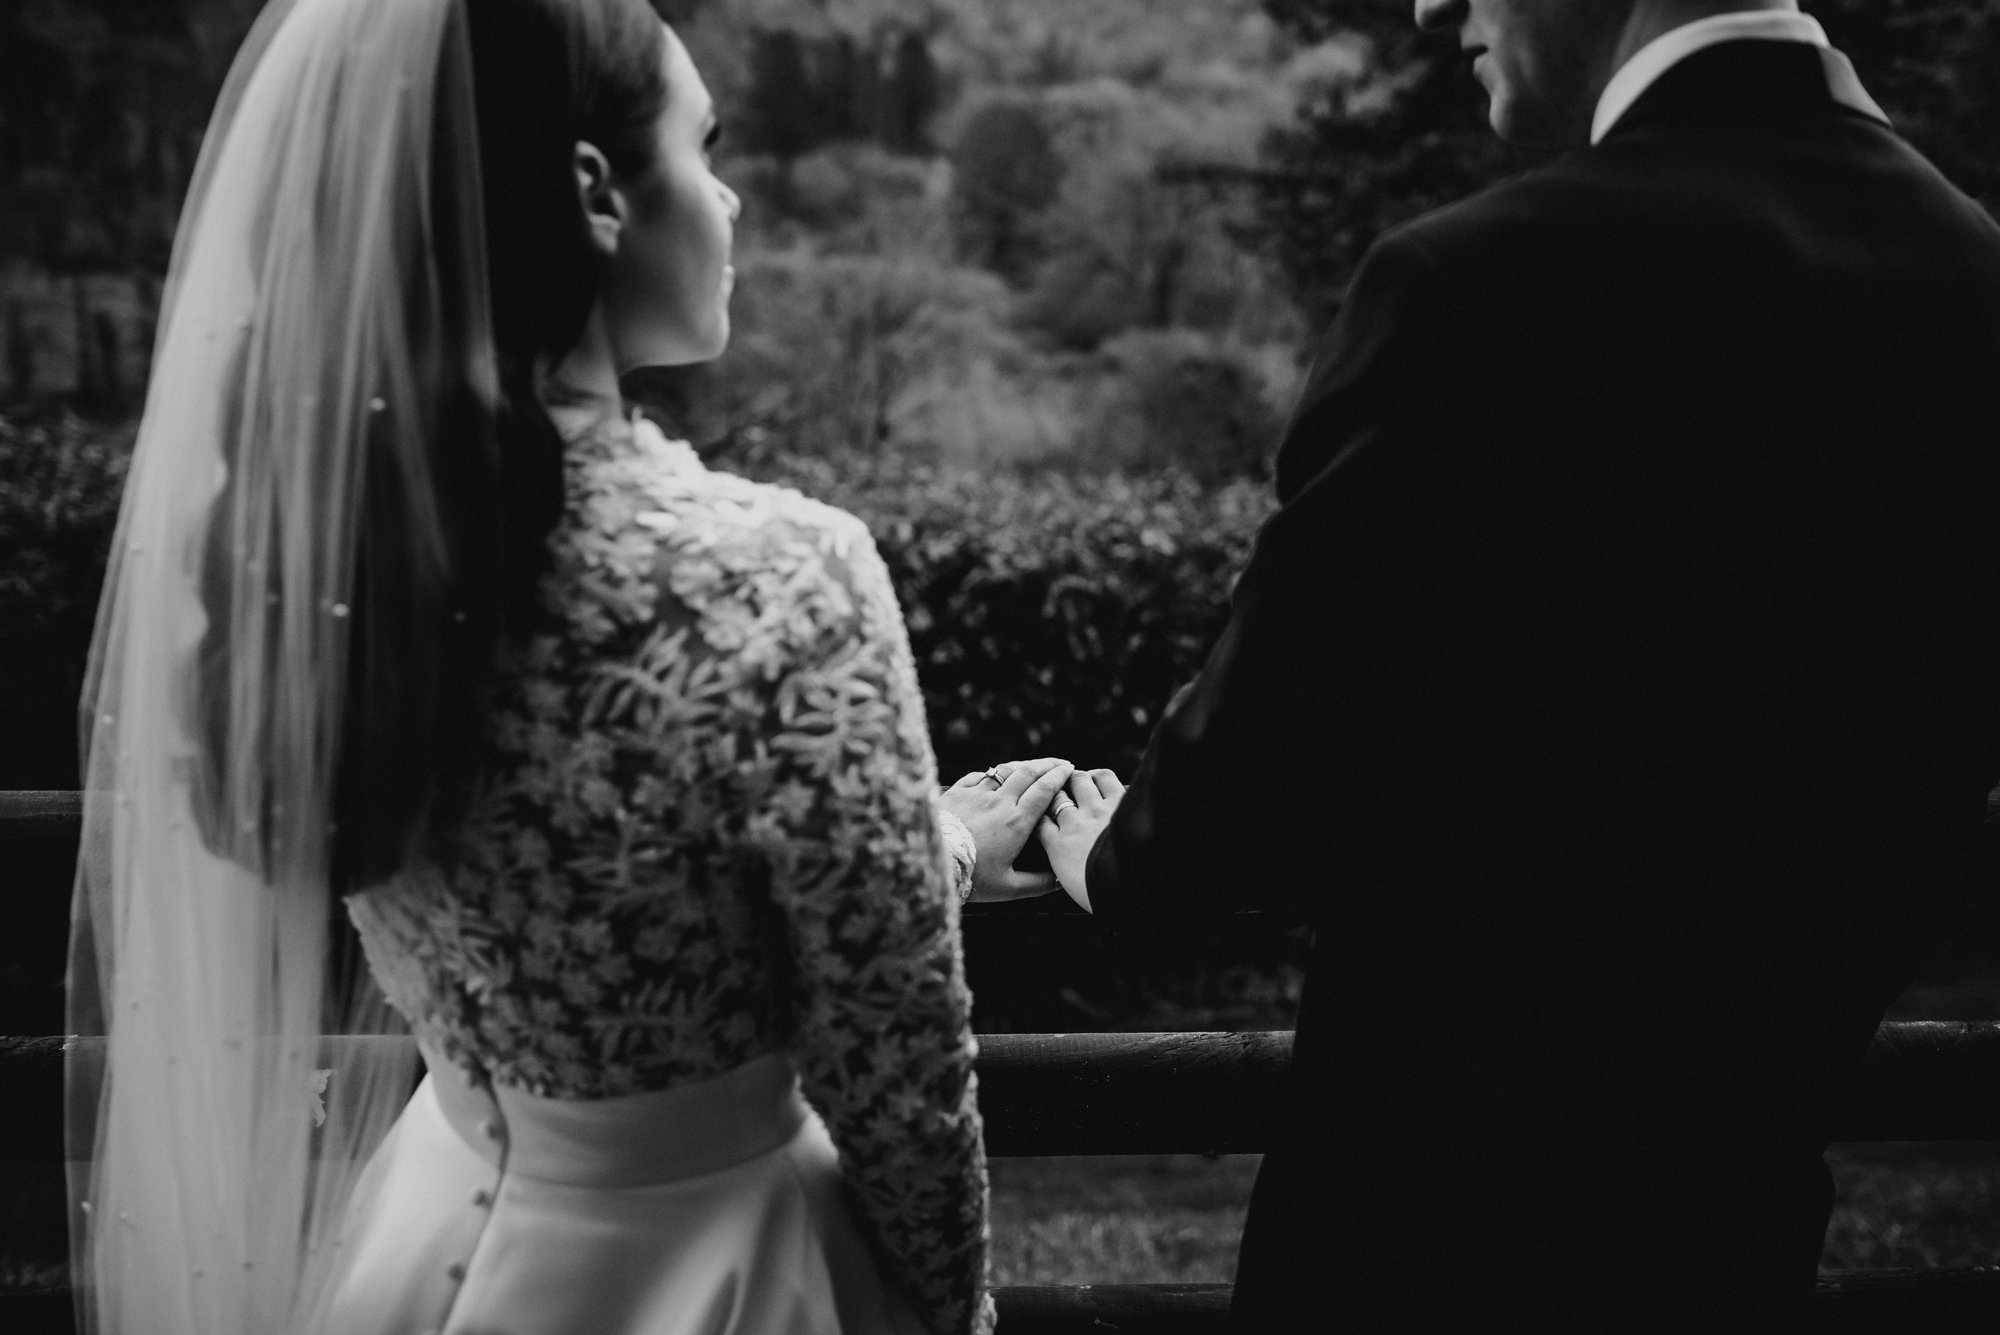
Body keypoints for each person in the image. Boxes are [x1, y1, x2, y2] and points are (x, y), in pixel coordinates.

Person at [65, 2, 1070, 1333]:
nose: (729, 198)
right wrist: (949, 1312)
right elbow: (895, 1071)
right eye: (703, 147)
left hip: (434, 1225)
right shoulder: (778, 578)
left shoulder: (334, 563)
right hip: (718, 1266)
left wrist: (932, 838)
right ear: (596, 190)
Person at [1039, 1, 2000, 1330]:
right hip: (1736, 1240)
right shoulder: (1971, 277)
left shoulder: (1483, 282)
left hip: (1421, 1249)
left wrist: (1114, 853)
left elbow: (1256, 784)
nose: (1436, 6)